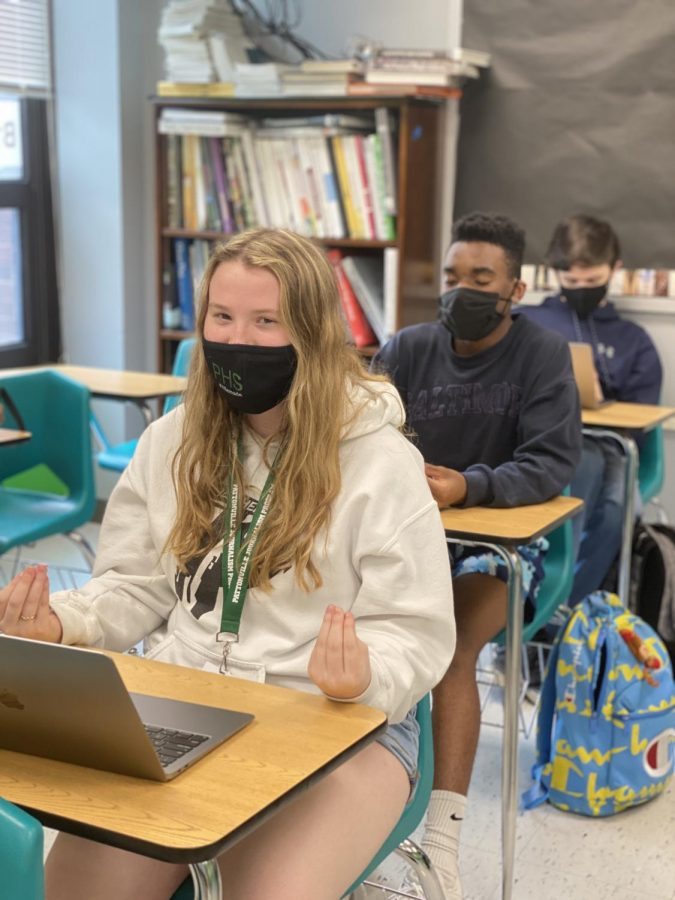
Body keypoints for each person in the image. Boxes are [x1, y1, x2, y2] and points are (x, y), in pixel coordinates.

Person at [0, 228, 456, 900]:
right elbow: (133, 585)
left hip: (339, 725)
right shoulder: (173, 440)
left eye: (265, 321)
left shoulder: (381, 463)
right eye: (222, 317)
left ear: (311, 331)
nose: (237, 339)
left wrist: (364, 672)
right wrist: (63, 624)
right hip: (188, 702)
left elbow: (414, 632)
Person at [373, 212, 582, 899]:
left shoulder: (542, 355)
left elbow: (549, 465)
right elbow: (361, 435)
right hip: (407, 537)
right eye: (452, 276)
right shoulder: (406, 348)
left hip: (503, 545)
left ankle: (441, 842)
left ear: (514, 289)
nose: (461, 290)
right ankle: (361, 816)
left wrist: (468, 486)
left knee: (448, 648)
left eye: (480, 279)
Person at [520, 214, 663, 604]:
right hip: (540, 436)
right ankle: (543, 593)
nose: (582, 289)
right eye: (572, 281)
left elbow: (640, 418)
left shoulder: (634, 341)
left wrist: (602, 400)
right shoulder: (528, 323)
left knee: (615, 502)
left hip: (608, 442)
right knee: (582, 466)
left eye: (592, 279)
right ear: (555, 273)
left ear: (615, 270)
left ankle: (563, 603)